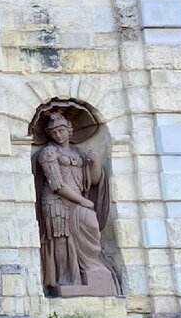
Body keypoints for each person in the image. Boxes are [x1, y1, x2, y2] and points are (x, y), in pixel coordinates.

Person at [33, 111, 120, 296]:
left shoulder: (78, 153)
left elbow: (93, 181)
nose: (58, 134)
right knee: (60, 241)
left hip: (78, 201)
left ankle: (91, 267)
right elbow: (57, 185)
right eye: (53, 132)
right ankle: (65, 279)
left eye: (61, 130)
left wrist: (95, 163)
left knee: (91, 224)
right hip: (56, 203)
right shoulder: (48, 153)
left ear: (69, 130)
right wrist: (82, 200)